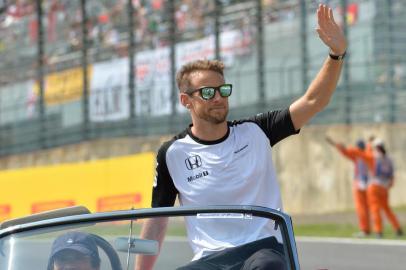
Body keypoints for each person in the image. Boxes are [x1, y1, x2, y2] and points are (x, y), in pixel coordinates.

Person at [135, 4, 347, 270]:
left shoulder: (257, 130)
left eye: (223, 90)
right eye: (208, 93)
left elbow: (314, 101)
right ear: (186, 101)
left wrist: (336, 54)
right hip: (209, 260)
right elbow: (157, 221)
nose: (219, 98)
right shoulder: (172, 154)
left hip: (263, 249)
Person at [326, 136, 371, 237]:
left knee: (361, 208)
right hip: (368, 184)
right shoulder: (367, 154)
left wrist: (336, 144)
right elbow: (347, 151)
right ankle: (369, 229)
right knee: (367, 208)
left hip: (360, 183)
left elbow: (345, 151)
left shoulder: (358, 154)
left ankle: (365, 229)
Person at [367, 139, 403, 238]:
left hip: (374, 186)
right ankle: (397, 228)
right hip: (384, 187)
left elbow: (366, 153)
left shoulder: (374, 156)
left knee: (375, 209)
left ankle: (378, 231)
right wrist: (389, 185)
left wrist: (369, 143)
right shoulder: (389, 159)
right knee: (387, 209)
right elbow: (392, 175)